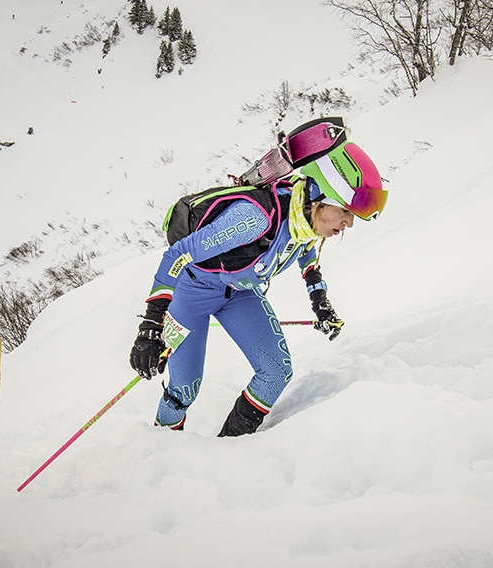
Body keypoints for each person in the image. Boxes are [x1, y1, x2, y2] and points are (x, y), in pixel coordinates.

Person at [129, 139, 387, 436]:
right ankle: (160, 451)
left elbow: (306, 254)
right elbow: (177, 256)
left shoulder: (304, 222)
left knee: (276, 371)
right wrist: (149, 328)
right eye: (345, 211)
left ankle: (230, 449)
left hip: (239, 294)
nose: (349, 223)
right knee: (184, 389)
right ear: (321, 198)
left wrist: (320, 302)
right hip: (192, 294)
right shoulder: (254, 220)